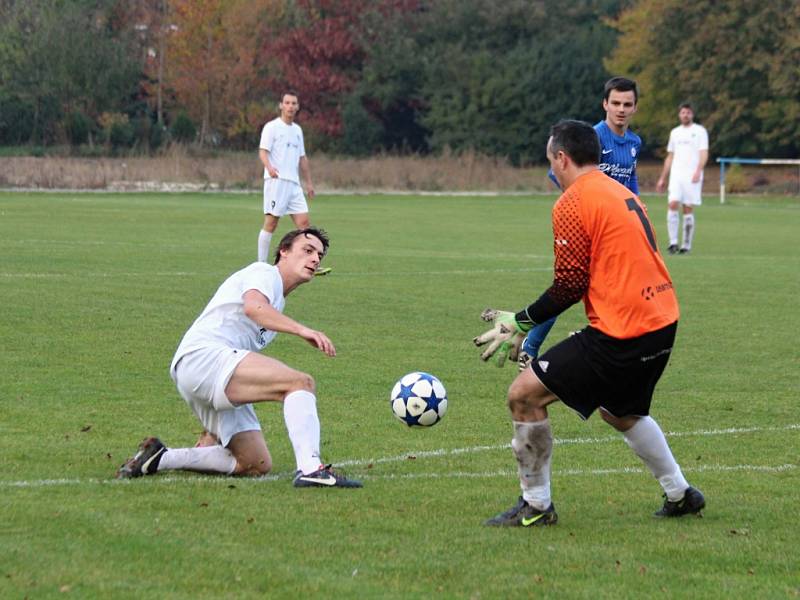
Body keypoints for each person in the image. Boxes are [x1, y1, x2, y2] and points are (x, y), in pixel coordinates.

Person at [474, 119, 704, 527]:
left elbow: (569, 285)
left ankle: (536, 506)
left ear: (561, 158)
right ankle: (680, 493)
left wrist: (521, 321)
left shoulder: (572, 202)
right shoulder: (619, 191)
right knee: (619, 411)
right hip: (663, 321)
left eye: (550, 160)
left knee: (524, 396)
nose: (551, 169)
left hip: (623, 332)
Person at [117, 227, 361, 488]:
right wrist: (302, 330)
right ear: (284, 252)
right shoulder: (265, 273)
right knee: (300, 383)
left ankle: (159, 458)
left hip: (201, 369)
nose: (315, 259)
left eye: (319, 256)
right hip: (204, 356)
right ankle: (312, 469)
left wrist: (214, 428)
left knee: (255, 464)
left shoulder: (277, 300)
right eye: (307, 250)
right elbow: (254, 307)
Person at [521, 77, 643, 370]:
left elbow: (631, 180)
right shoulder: (592, 138)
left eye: (627, 104)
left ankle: (587, 338)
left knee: (598, 286)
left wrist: (637, 207)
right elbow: (560, 173)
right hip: (592, 224)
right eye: (615, 103)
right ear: (605, 104)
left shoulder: (635, 142)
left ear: (635, 107)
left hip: (617, 228)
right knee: (574, 285)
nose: (621, 109)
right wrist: (581, 206)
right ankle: (533, 344)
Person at [257, 92, 329, 275]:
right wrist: (270, 168)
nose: (290, 106)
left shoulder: (297, 130)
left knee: (304, 224)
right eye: (287, 103)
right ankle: (260, 266)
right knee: (271, 223)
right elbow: (263, 152)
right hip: (277, 182)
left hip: (294, 185)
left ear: (297, 107)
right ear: (281, 105)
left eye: (293, 103)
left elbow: (302, 158)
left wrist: (309, 183)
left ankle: (310, 262)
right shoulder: (272, 127)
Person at [656, 102, 709, 254]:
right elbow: (670, 156)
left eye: (688, 112)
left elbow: (703, 152)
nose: (685, 115)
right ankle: (673, 243)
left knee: (687, 208)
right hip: (676, 175)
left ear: (692, 114)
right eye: (683, 112)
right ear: (679, 114)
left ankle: (686, 245)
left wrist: (699, 170)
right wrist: (662, 178)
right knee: (672, 204)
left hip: (692, 176)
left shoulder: (700, 131)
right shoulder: (675, 132)